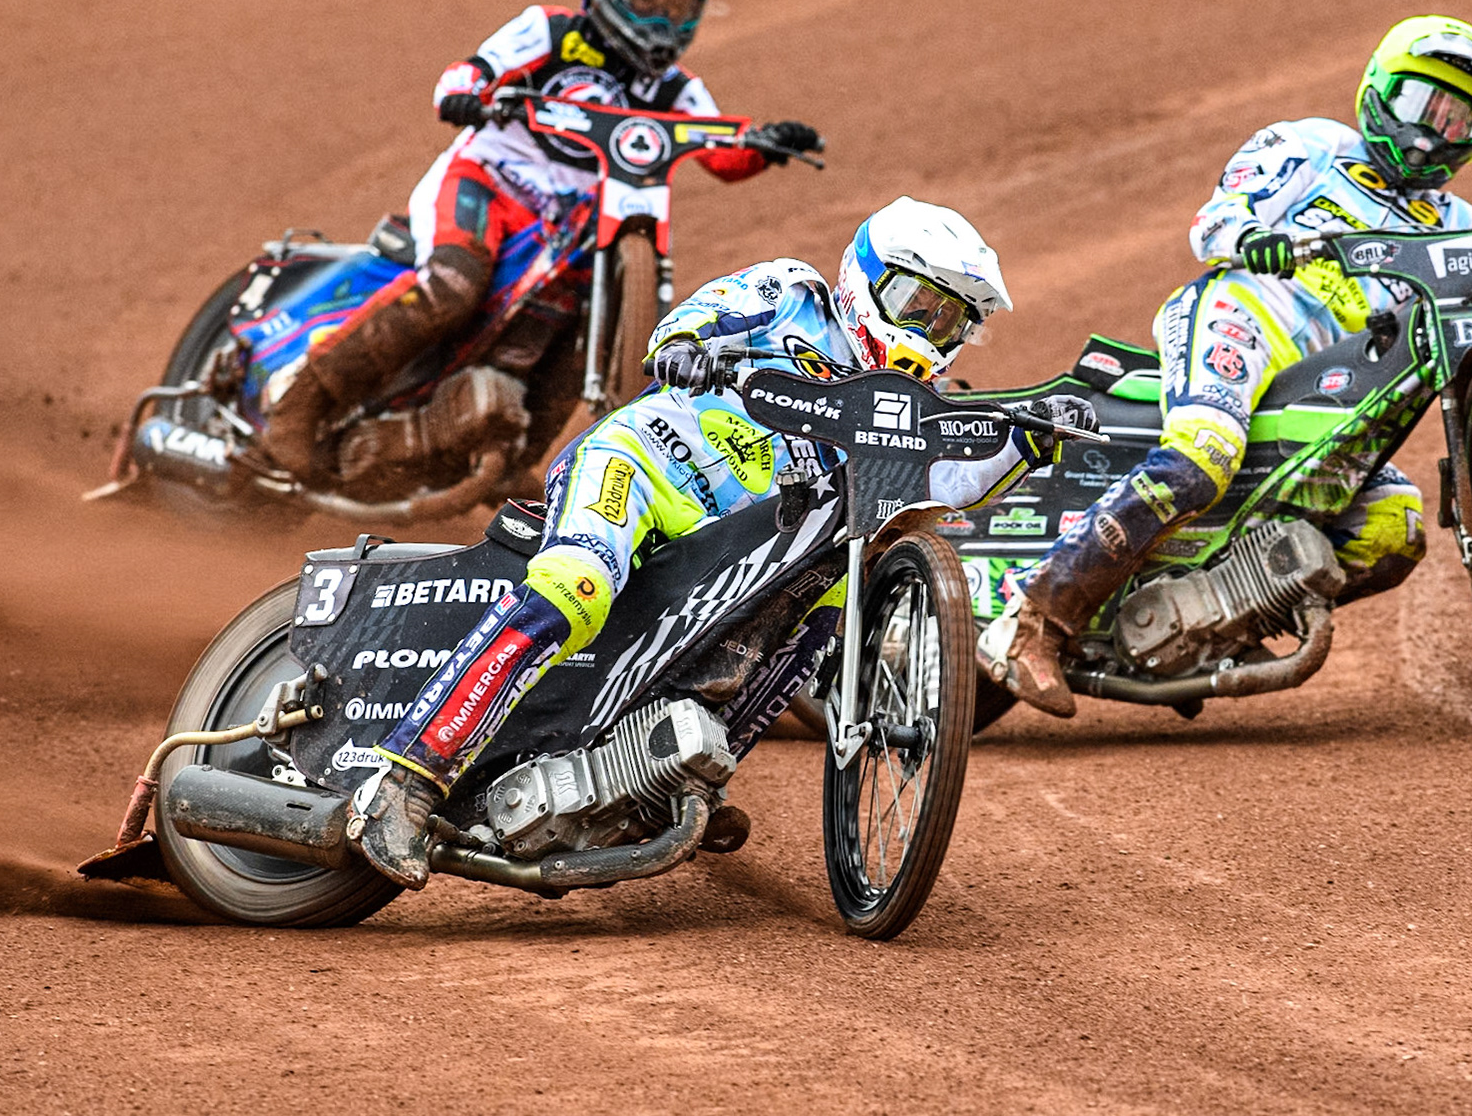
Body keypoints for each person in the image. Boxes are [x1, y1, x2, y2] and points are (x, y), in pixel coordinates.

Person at [351, 196, 1098, 886]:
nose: (929, 334)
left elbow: (944, 484)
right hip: (644, 466)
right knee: (576, 588)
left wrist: (1034, 436)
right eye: (920, 306)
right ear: (870, 277)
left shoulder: (914, 409)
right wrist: (688, 346)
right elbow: (697, 318)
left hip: (737, 547)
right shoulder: (795, 294)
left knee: (823, 605)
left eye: (951, 324)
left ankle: (676, 780)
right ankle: (407, 781)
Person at [997, 15, 1472, 717]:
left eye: (1456, 119)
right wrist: (1255, 237)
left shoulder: (1457, 223)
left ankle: (1220, 620)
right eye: (1418, 103)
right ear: (1378, 89)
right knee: (1204, 454)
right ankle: (1036, 618)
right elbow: (1218, 217)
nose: (1431, 131)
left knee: (1394, 525)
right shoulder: (1309, 147)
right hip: (1244, 317)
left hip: (1325, 386)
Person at [263, 0, 822, 482]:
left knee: (584, 329)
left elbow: (721, 153)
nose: (663, 24)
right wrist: (467, 93)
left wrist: (768, 142)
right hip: (488, 185)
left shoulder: (675, 89)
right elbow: (470, 72)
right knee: (455, 284)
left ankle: (515, 458)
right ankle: (298, 405)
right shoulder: (553, 32)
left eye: (680, 10)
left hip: (575, 230)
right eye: (650, 2)